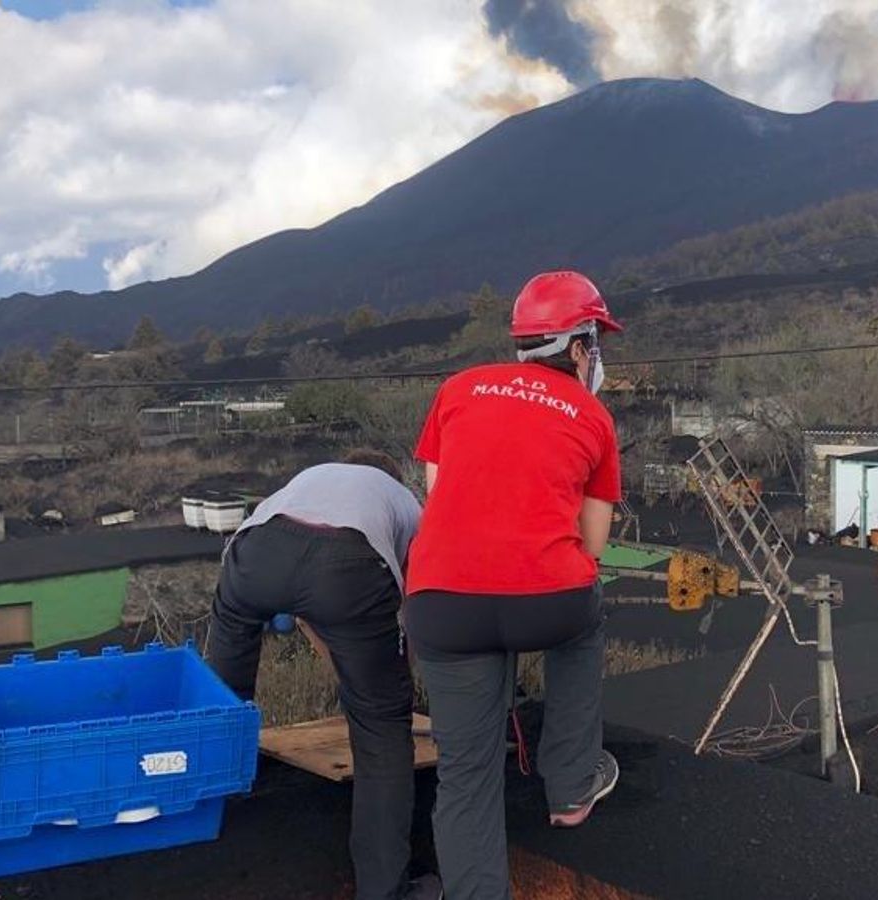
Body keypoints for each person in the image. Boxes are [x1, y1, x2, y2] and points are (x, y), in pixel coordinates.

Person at [404, 270, 624, 900]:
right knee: (586, 615)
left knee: (467, 775)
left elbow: (440, 496)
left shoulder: (458, 390)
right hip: (548, 605)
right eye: (597, 345)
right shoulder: (592, 414)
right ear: (580, 346)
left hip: (442, 603)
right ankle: (573, 785)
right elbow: (593, 545)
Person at [205, 449, 438, 900]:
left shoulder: (310, 477)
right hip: (348, 566)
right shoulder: (405, 503)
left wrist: (346, 666)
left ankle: (214, 800)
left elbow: (315, 615)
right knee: (382, 731)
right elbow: (414, 607)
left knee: (224, 695)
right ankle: (385, 890)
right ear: (389, 476)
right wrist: (386, 689)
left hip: (255, 554)